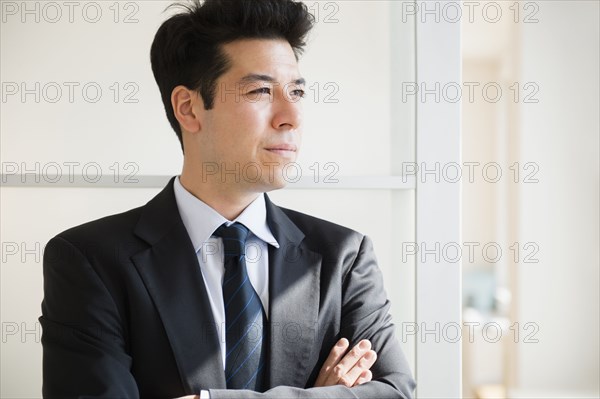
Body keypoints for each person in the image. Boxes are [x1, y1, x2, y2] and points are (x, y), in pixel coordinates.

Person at [39, 0, 416, 398]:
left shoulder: (343, 256)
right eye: (260, 91)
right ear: (189, 108)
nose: (292, 116)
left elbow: (394, 391)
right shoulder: (90, 259)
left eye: (297, 92)